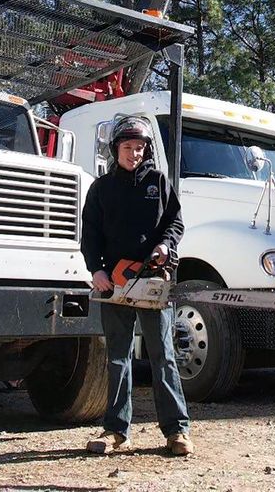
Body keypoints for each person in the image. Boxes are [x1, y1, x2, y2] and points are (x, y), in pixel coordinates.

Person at [81, 115, 193, 457]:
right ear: (116, 149)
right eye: (128, 147)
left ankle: (177, 431)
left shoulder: (158, 182)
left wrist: (165, 247)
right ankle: (116, 430)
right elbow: (90, 235)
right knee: (118, 357)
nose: (134, 153)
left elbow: (175, 222)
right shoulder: (101, 188)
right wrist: (96, 271)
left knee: (163, 357)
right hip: (114, 282)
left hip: (153, 279)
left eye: (140, 147)